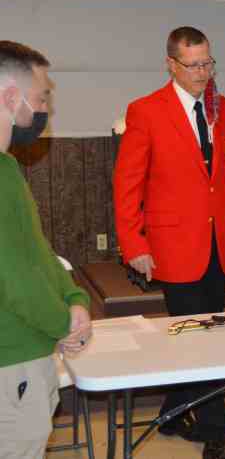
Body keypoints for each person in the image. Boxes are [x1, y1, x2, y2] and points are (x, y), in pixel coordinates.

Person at [113, 26, 225, 459]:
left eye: (208, 63)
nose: (203, 72)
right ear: (171, 65)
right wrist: (134, 244)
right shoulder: (145, 111)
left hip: (218, 243)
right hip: (172, 244)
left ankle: (171, 412)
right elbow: (127, 184)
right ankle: (216, 430)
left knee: (200, 334)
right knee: (201, 339)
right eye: (193, 65)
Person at [0, 41, 92, 458]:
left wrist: (74, 297)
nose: (45, 110)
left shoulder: (8, 168)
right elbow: (14, 279)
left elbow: (35, 250)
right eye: (40, 98)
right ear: (10, 97)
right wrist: (62, 325)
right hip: (11, 361)